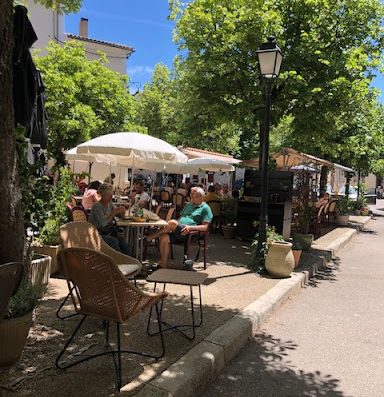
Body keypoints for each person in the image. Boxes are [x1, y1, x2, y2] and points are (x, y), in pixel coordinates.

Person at [147, 187, 213, 268]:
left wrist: (190, 227)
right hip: (180, 230)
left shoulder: (205, 208)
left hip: (191, 234)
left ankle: (151, 237)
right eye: (190, 194)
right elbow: (180, 218)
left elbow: (205, 227)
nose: (191, 196)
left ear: (201, 196)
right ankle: (163, 264)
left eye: (193, 194)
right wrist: (175, 225)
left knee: (171, 222)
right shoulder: (189, 205)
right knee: (164, 237)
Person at [89, 183, 130, 255]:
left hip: (108, 231)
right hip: (97, 234)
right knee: (114, 241)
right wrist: (114, 212)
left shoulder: (109, 203)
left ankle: (129, 260)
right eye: (109, 195)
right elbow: (103, 224)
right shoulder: (97, 206)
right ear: (103, 195)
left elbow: (117, 214)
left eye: (112, 194)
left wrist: (122, 211)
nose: (111, 197)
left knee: (122, 240)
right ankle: (118, 261)